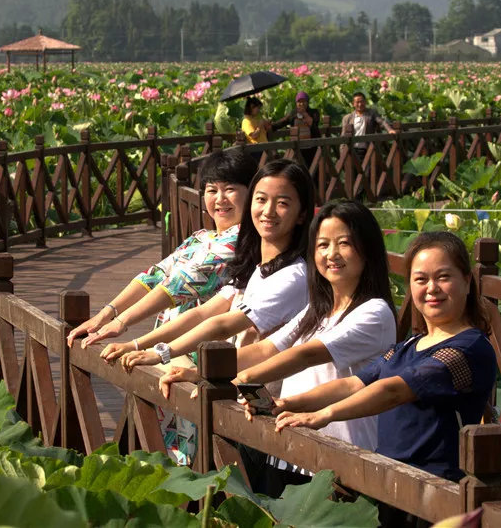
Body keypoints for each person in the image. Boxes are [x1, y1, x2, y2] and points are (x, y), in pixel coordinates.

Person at [159, 200, 396, 497]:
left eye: (344, 243)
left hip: (339, 466)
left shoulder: (374, 312)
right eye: (322, 245)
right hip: (290, 452)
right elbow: (267, 350)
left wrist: (238, 381)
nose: (331, 254)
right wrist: (200, 373)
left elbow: (305, 355)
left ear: (368, 249)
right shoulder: (319, 310)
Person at [99, 159, 314, 465]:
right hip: (242, 395)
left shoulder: (291, 275)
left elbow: (223, 324)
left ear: (302, 213)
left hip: (260, 405)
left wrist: (157, 351)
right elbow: (201, 312)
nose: (267, 211)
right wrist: (137, 342)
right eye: (262, 200)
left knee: (232, 483)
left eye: (282, 203)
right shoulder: (257, 268)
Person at [270, 231, 496, 488]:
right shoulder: (409, 344)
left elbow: (394, 391)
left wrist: (325, 415)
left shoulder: (469, 349)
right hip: (392, 483)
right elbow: (353, 384)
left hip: (438, 490)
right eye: (420, 279)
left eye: (443, 277)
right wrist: (289, 403)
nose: (432, 288)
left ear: (467, 282)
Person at [66, 150, 258, 349]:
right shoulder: (201, 237)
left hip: (203, 354)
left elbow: (180, 284)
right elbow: (155, 275)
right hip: (169, 347)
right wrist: (105, 315)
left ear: (252, 192)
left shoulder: (239, 241)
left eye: (229, 189)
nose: (220, 199)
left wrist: (121, 323)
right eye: (212, 190)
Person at [340, 91, 394, 163]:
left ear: (365, 102)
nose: (360, 104)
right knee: (353, 172)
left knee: (367, 172)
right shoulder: (347, 118)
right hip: (352, 149)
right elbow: (343, 135)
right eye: (357, 102)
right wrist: (342, 151)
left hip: (368, 148)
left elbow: (381, 122)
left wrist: (389, 130)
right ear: (353, 104)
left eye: (362, 101)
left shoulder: (372, 113)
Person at [272, 91, 321, 166]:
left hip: (312, 146)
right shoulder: (293, 113)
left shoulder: (314, 112)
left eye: (304, 101)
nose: (301, 104)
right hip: (298, 148)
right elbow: (283, 122)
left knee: (313, 168)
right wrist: (270, 126)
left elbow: (314, 124)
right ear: (296, 103)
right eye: (299, 102)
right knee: (298, 168)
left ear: (307, 102)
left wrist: (304, 114)